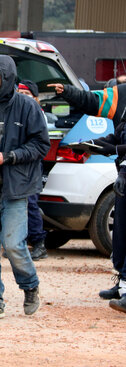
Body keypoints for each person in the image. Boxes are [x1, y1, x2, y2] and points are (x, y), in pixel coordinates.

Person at [0, 55, 49, 319]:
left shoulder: (27, 106)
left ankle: (30, 286)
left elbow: (41, 145)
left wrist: (9, 156)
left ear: (7, 74)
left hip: (14, 190)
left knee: (14, 245)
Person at [48, 80, 126, 312]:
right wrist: (93, 145)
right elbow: (116, 133)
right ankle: (123, 285)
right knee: (121, 235)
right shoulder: (122, 99)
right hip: (123, 175)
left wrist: (115, 153)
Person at [16, 80, 48, 261]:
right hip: (18, 166)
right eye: (20, 93)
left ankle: (39, 243)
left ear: (36, 98)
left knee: (30, 204)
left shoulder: (37, 114)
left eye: (27, 94)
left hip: (32, 166)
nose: (23, 97)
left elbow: (38, 143)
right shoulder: (18, 112)